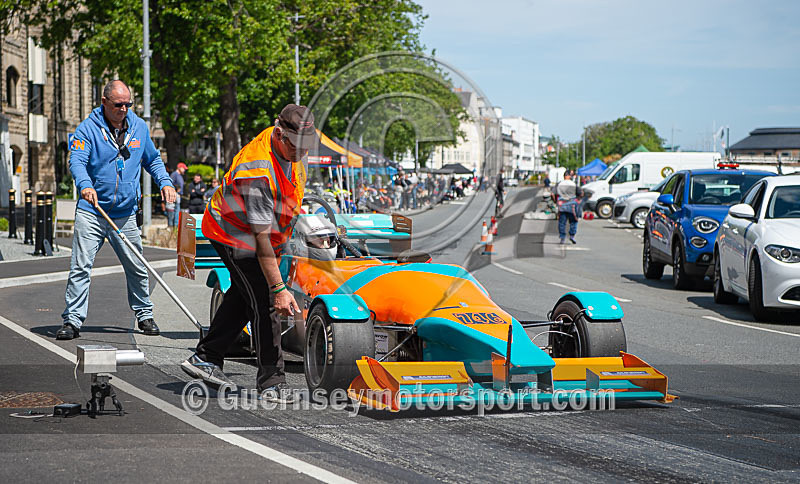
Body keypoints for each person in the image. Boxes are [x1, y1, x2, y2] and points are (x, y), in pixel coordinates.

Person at [180, 104, 318, 401]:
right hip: (233, 234)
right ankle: (272, 382)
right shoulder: (256, 172)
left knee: (246, 295)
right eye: (296, 147)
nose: (302, 153)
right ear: (279, 135)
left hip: (256, 234)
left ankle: (206, 357)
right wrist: (278, 288)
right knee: (266, 299)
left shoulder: (292, 147)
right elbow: (260, 239)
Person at [57, 80, 177, 340]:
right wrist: (85, 185)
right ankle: (73, 320)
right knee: (81, 267)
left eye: (128, 104)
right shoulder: (87, 129)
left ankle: (144, 314)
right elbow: (76, 161)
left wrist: (165, 182)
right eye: (118, 105)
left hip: (125, 212)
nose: (123, 109)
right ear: (104, 102)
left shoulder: (139, 127)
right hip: (92, 211)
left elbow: (153, 159)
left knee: (137, 266)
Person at [553, 170, 583, 244]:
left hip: (561, 205)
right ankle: (572, 235)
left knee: (562, 222)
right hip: (572, 205)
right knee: (573, 221)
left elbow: (552, 194)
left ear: (564, 176)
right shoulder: (573, 184)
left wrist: (555, 201)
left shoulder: (559, 184)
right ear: (569, 176)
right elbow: (580, 193)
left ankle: (562, 237)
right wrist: (579, 199)